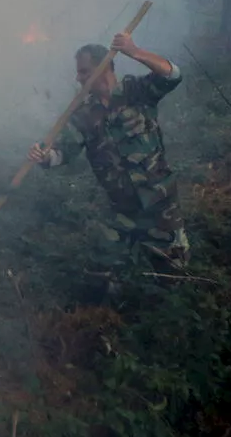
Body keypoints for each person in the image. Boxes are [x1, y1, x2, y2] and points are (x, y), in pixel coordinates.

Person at [27, 33, 190, 283]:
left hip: (159, 204)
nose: (78, 78)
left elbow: (172, 75)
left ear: (104, 67)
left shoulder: (136, 91)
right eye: (79, 73)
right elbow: (63, 153)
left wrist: (134, 51)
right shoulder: (83, 113)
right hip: (120, 209)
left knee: (172, 276)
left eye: (84, 71)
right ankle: (101, 316)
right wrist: (44, 155)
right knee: (98, 273)